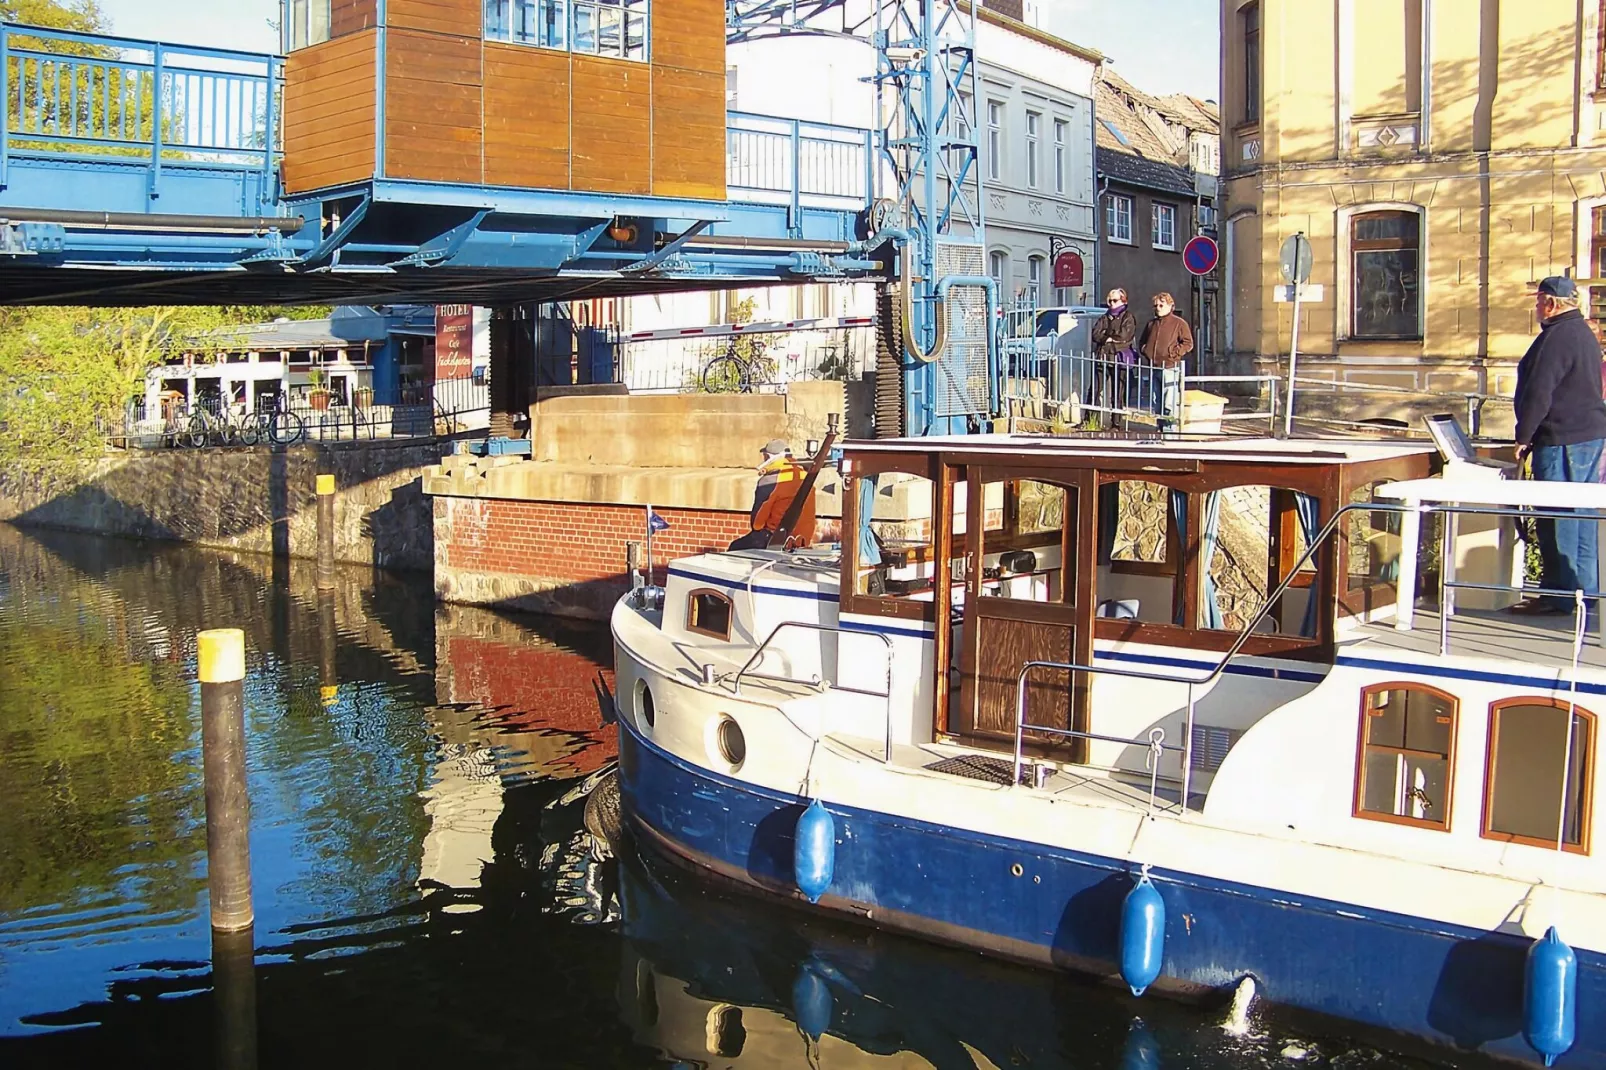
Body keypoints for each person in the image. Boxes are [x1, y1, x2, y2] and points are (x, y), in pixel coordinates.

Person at [1509, 276, 1606, 616]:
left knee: (1558, 516)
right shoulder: (1582, 333)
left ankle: (1560, 597)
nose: (1536, 308)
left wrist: (1523, 437)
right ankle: (1585, 594)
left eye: (1538, 301)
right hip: (1589, 434)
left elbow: (1539, 391)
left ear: (1550, 303)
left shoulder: (1557, 337)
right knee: (1582, 516)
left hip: (1563, 438)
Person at [728, 439, 817, 551]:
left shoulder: (770, 480)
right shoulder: (805, 476)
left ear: (770, 457)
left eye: (765, 456)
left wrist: (758, 532)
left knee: (735, 547)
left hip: (775, 538)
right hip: (802, 540)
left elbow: (757, 522)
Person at [1138, 292, 1194, 420]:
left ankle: (1170, 430)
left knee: (1169, 402)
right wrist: (1145, 350)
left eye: (1161, 305)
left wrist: (1174, 353)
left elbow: (1188, 343)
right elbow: (1143, 341)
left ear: (1170, 306)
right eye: (1155, 305)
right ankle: (1160, 428)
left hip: (1170, 367)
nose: (1158, 308)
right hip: (1154, 366)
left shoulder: (1179, 323)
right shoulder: (1151, 324)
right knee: (1156, 401)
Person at [1090, 288, 1137, 422]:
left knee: (1118, 391)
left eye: (1114, 300)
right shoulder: (1104, 317)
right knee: (1095, 389)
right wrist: (1108, 338)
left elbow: (1124, 336)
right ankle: (1091, 419)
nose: (1111, 303)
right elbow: (1095, 334)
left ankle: (1116, 422)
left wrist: (1106, 335)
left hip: (1119, 356)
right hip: (1102, 355)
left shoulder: (1128, 317)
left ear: (1123, 301)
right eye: (1109, 300)